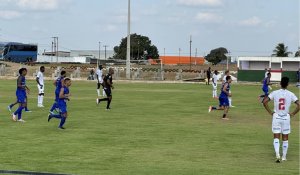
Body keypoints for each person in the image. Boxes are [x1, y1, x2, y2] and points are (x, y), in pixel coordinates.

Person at [263, 77, 299, 163]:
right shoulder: (291, 94)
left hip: (276, 117)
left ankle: (277, 154)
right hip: (286, 117)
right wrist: (293, 113)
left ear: (280, 83)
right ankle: (284, 157)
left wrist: (270, 112)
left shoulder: (274, 93)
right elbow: (299, 104)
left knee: (276, 137)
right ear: (288, 84)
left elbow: (264, 102)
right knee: (285, 138)